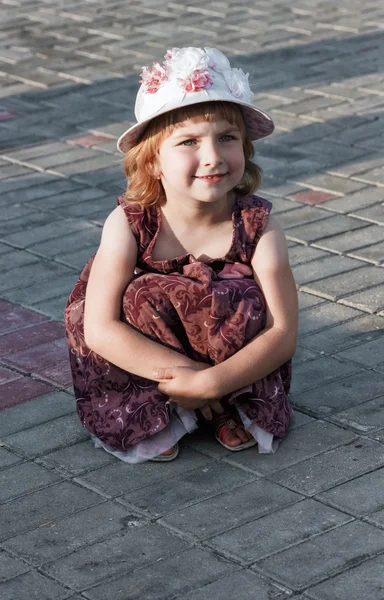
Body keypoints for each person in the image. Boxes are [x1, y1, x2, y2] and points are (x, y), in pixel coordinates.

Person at [64, 47, 298, 463]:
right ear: (152, 162)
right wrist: (188, 377)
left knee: (243, 300)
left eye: (227, 138)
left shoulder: (260, 228)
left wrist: (215, 382)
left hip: (232, 370)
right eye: (188, 141)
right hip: (151, 370)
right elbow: (99, 328)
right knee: (139, 297)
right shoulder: (128, 223)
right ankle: (163, 413)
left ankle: (224, 407)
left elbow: (282, 334)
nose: (211, 157)